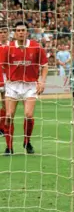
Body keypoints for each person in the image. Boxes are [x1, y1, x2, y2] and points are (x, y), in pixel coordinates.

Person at [1, 22, 48, 155]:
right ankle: (9, 147)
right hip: (12, 85)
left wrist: (42, 81)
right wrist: (5, 81)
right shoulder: (8, 48)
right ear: (15, 33)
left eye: (23, 30)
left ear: (27, 32)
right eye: (18, 30)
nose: (21, 32)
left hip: (30, 85)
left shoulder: (36, 46)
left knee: (28, 115)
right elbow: (2, 66)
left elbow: (44, 65)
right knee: (9, 116)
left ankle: (27, 142)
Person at [0, 26, 8, 138]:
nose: (2, 34)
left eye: (4, 32)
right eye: (0, 32)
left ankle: (3, 127)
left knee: (5, 104)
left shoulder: (10, 46)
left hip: (7, 78)